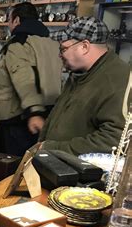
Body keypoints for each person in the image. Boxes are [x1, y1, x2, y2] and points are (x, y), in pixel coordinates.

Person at [39, 17, 131, 155]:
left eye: (63, 49)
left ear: (84, 47)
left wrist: (54, 149)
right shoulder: (80, 73)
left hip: (81, 172)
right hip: (58, 165)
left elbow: (113, 140)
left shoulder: (117, 79)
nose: (59, 54)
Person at [0, 2, 63, 156]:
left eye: (9, 20)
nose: (9, 24)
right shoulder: (53, 44)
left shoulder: (19, 44)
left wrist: (33, 112)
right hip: (48, 113)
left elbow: (24, 79)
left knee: (15, 166)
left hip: (20, 117)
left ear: (16, 20)